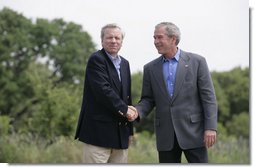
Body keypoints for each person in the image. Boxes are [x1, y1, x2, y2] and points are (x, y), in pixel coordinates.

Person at [129, 22, 218, 163]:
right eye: (154, 38)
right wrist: (137, 111)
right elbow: (148, 99)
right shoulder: (150, 68)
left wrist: (211, 127)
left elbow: (209, 98)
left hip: (194, 133)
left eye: (159, 37)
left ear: (173, 39)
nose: (156, 42)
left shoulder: (197, 62)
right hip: (166, 135)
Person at [75, 23, 137, 163]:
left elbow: (127, 98)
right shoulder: (96, 60)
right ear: (102, 40)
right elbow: (103, 91)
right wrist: (125, 110)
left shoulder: (125, 64)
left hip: (120, 136)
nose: (113, 41)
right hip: (97, 135)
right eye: (109, 37)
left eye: (117, 38)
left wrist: (130, 131)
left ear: (122, 41)